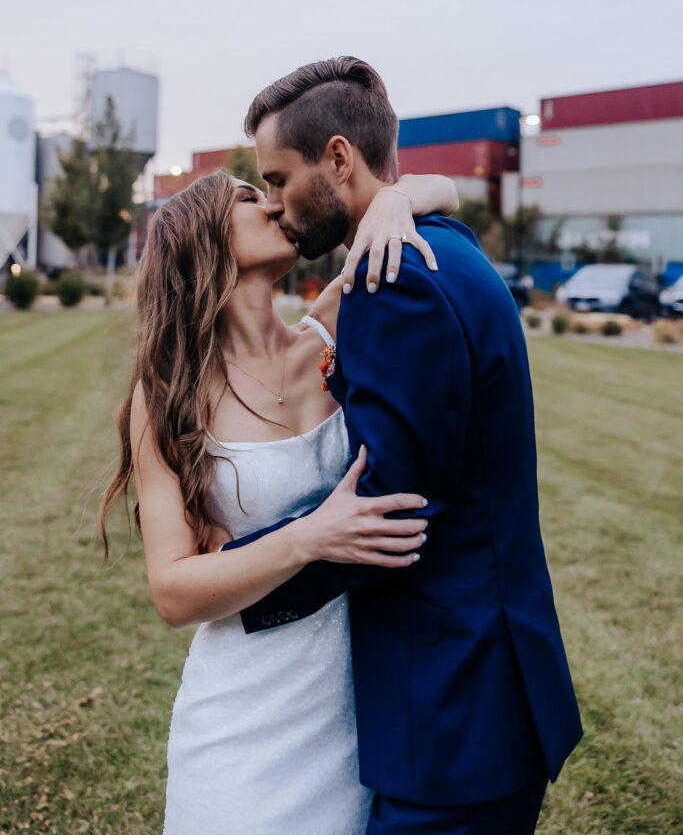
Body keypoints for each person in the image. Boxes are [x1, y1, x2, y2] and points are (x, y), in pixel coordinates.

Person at [221, 56, 584, 835]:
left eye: (280, 178)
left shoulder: (394, 279)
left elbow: (392, 509)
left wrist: (234, 583)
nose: (277, 204)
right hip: (488, 693)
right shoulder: (444, 243)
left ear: (339, 159)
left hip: (450, 711)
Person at [100, 164, 460, 835]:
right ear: (204, 239)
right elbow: (173, 592)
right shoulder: (167, 396)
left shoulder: (332, 332)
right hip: (241, 723)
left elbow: (447, 189)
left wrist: (392, 202)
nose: (273, 205)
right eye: (248, 197)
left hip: (358, 714)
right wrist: (307, 538)